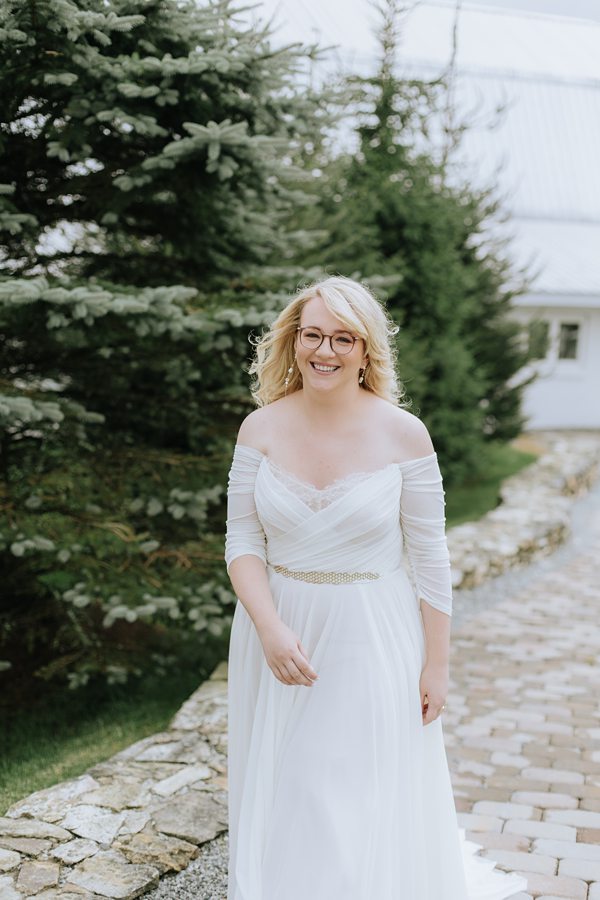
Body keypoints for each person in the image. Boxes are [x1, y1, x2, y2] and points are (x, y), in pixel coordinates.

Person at [224, 276, 528, 900]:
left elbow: (431, 556)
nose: (325, 351)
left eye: (343, 338)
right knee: (286, 785)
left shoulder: (404, 434)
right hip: (279, 630)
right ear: (292, 340)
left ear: (366, 352)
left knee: (338, 785)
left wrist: (436, 665)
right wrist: (269, 627)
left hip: (372, 629)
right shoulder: (259, 429)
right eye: (313, 334)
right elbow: (242, 543)